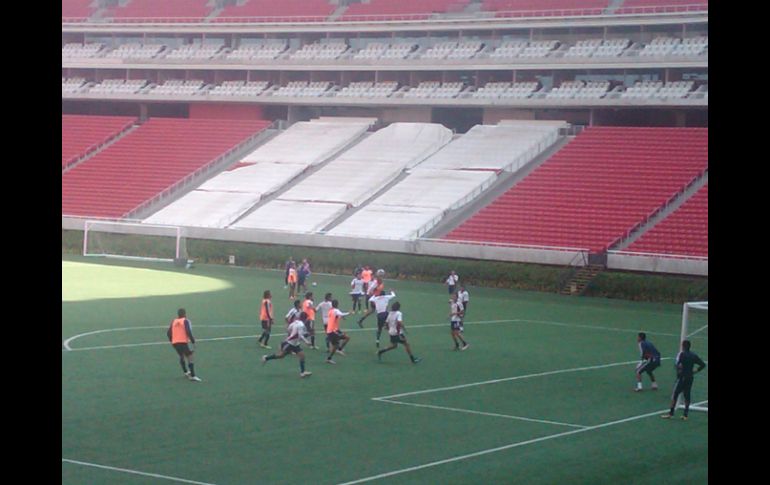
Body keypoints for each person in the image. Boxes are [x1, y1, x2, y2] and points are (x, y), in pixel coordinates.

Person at [661, 339, 706, 420]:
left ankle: (671, 413)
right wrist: (695, 371)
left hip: (682, 378)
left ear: (683, 346)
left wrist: (679, 369)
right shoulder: (694, 355)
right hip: (690, 377)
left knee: (675, 395)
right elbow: (703, 365)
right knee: (687, 395)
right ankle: (685, 414)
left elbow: (678, 365)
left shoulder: (682, 354)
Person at [261, 311, 313, 378]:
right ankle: (266, 358)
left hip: (295, 344)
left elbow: (288, 330)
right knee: (281, 356)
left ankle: (302, 372)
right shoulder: (301, 325)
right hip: (290, 343)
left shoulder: (295, 323)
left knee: (302, 356)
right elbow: (300, 336)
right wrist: (307, 342)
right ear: (305, 318)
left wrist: (293, 334)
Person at [166, 308, 201, 382]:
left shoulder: (174, 321)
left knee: (181, 355)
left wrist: (172, 340)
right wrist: (193, 341)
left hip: (175, 342)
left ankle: (186, 372)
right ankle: (193, 376)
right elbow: (188, 331)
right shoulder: (185, 321)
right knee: (190, 357)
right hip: (182, 342)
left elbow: (168, 333)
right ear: (185, 314)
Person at [325, 299, 351, 365]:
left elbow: (337, 316)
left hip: (332, 330)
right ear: (337, 304)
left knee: (345, 338)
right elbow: (340, 314)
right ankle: (335, 353)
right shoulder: (336, 310)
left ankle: (338, 350)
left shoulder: (330, 310)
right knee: (339, 343)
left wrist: (341, 317)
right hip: (333, 331)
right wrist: (349, 313)